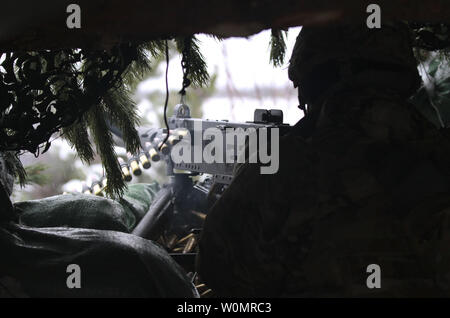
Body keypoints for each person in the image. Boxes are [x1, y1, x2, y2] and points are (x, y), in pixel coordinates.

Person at [197, 23, 450, 297]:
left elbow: (215, 266)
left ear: (313, 82)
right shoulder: (437, 150)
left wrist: (251, 172)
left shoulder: (288, 163)